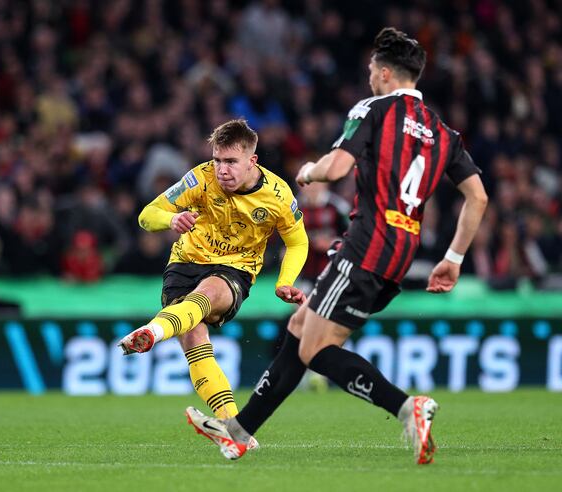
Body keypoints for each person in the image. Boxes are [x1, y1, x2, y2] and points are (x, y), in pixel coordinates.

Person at [185, 27, 488, 465]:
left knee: (314, 349)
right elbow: (477, 196)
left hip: (366, 243)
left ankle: (406, 407)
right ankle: (238, 431)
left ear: (385, 74)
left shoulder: (375, 109)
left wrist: (308, 171)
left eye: (370, 69)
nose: (368, 76)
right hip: (401, 251)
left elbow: (336, 168)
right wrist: (454, 258)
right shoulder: (443, 133)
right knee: (299, 329)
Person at [119, 119, 309, 438]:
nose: (222, 169)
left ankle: (153, 330)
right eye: (218, 160)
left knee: (204, 296)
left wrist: (284, 281)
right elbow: (146, 216)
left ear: (252, 161)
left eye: (231, 162)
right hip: (185, 262)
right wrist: (171, 218)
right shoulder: (200, 178)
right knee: (194, 339)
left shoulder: (277, 194)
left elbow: (298, 240)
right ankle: (236, 427)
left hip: (236, 269)